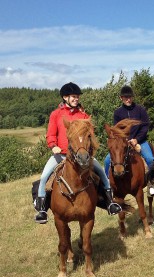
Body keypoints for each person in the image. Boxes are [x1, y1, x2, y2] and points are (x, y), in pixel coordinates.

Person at [34, 82, 122, 224]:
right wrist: (53, 146)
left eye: (77, 97)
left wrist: (90, 148)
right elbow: (50, 134)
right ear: (65, 97)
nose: (76, 99)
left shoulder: (83, 115)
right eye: (73, 96)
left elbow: (91, 136)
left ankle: (111, 203)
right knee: (44, 177)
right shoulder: (56, 114)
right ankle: (42, 211)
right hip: (61, 155)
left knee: (102, 175)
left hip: (83, 156)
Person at [104, 85, 154, 196]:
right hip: (124, 143)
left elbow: (145, 126)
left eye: (130, 97)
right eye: (125, 97)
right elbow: (117, 130)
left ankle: (151, 183)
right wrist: (126, 141)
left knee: (150, 159)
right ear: (121, 98)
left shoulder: (140, 110)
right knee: (107, 161)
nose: (128, 99)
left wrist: (137, 139)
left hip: (140, 141)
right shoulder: (117, 113)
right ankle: (109, 185)